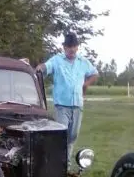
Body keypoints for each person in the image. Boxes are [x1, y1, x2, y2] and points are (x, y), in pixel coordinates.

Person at [36, 32, 98, 167]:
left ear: (77, 47)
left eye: (74, 46)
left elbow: (94, 73)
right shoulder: (57, 60)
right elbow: (46, 67)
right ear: (64, 47)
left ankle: (66, 165)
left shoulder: (83, 62)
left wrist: (86, 84)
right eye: (69, 46)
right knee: (61, 135)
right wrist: (41, 67)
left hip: (77, 105)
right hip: (62, 106)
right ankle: (56, 164)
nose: (71, 49)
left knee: (72, 136)